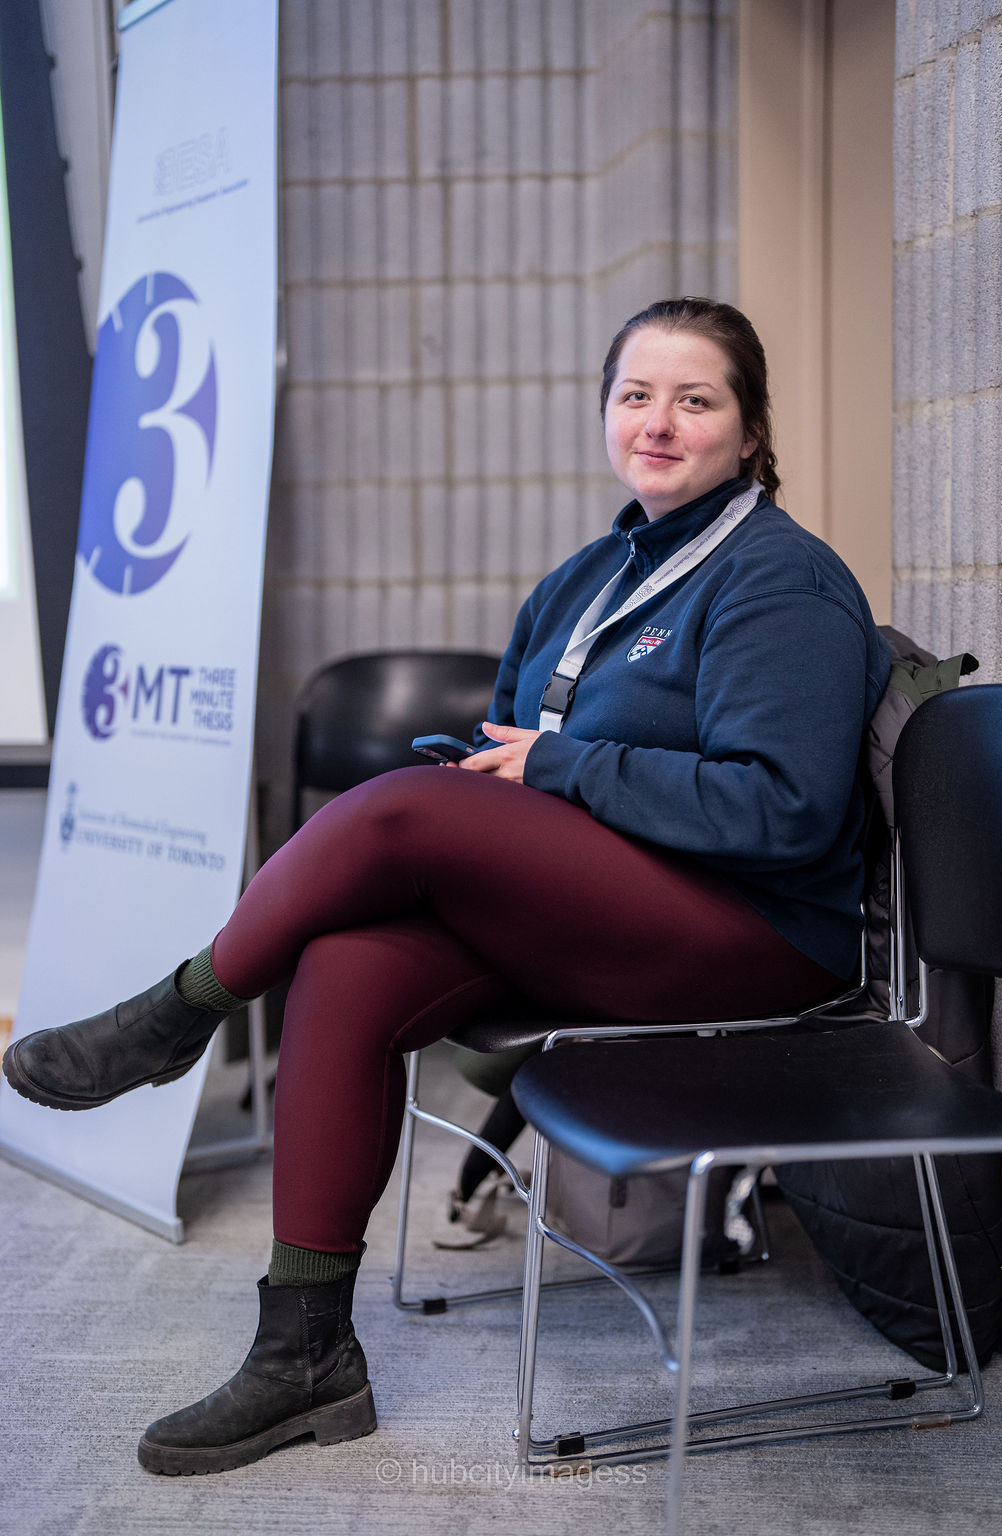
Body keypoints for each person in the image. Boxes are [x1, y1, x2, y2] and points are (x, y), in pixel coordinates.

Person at [1, 297, 891, 1476]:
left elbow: (782, 811)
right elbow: (517, 738)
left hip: (753, 933)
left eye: (695, 400)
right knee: (347, 965)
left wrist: (555, 769)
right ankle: (305, 1354)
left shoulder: (778, 582)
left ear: (751, 428)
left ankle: (180, 1011)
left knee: (405, 813)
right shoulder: (590, 577)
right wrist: (497, 772)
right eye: (635, 396)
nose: (658, 423)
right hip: (609, 905)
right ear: (604, 413)